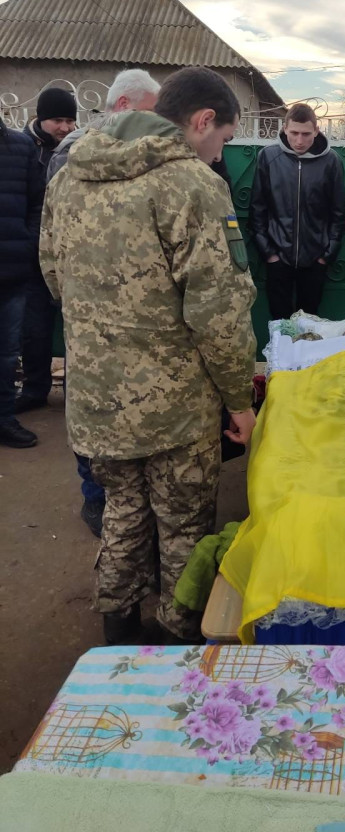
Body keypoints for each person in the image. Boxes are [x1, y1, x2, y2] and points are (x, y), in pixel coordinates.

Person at [40, 66, 257, 644]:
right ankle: (179, 644)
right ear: (203, 120)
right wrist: (240, 401)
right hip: (175, 408)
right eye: (223, 139)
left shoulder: (70, 174)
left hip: (96, 399)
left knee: (122, 509)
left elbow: (54, 274)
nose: (220, 154)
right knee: (183, 524)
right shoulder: (193, 185)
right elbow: (219, 314)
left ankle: (117, 630)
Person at [43, 70, 163, 538]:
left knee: (121, 412)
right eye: (151, 113)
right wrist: (81, 302)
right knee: (91, 410)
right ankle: (94, 498)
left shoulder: (136, 155)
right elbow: (51, 246)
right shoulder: (70, 156)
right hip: (91, 320)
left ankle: (122, 501)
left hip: (124, 319)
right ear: (124, 107)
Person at [250, 102, 345, 319]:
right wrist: (269, 253)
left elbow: (339, 213)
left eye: (306, 134)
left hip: (315, 259)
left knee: (309, 323)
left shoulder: (331, 161)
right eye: (294, 133)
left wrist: (326, 256)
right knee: (279, 323)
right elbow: (258, 209)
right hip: (277, 258)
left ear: (316, 130)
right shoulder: (268, 157)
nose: (299, 141)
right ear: (285, 128)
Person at [15, 87, 77, 415]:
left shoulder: (80, 147)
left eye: (70, 120)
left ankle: (74, 394)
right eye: (58, 120)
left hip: (71, 254)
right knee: (34, 329)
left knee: (76, 328)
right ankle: (35, 389)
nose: (65, 127)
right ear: (41, 118)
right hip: (34, 254)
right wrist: (31, 242)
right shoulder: (24, 148)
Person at [0, 119, 44, 447]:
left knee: (6, 354)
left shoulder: (21, 146)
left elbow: (38, 203)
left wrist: (28, 243)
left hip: (11, 272)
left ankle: (3, 419)